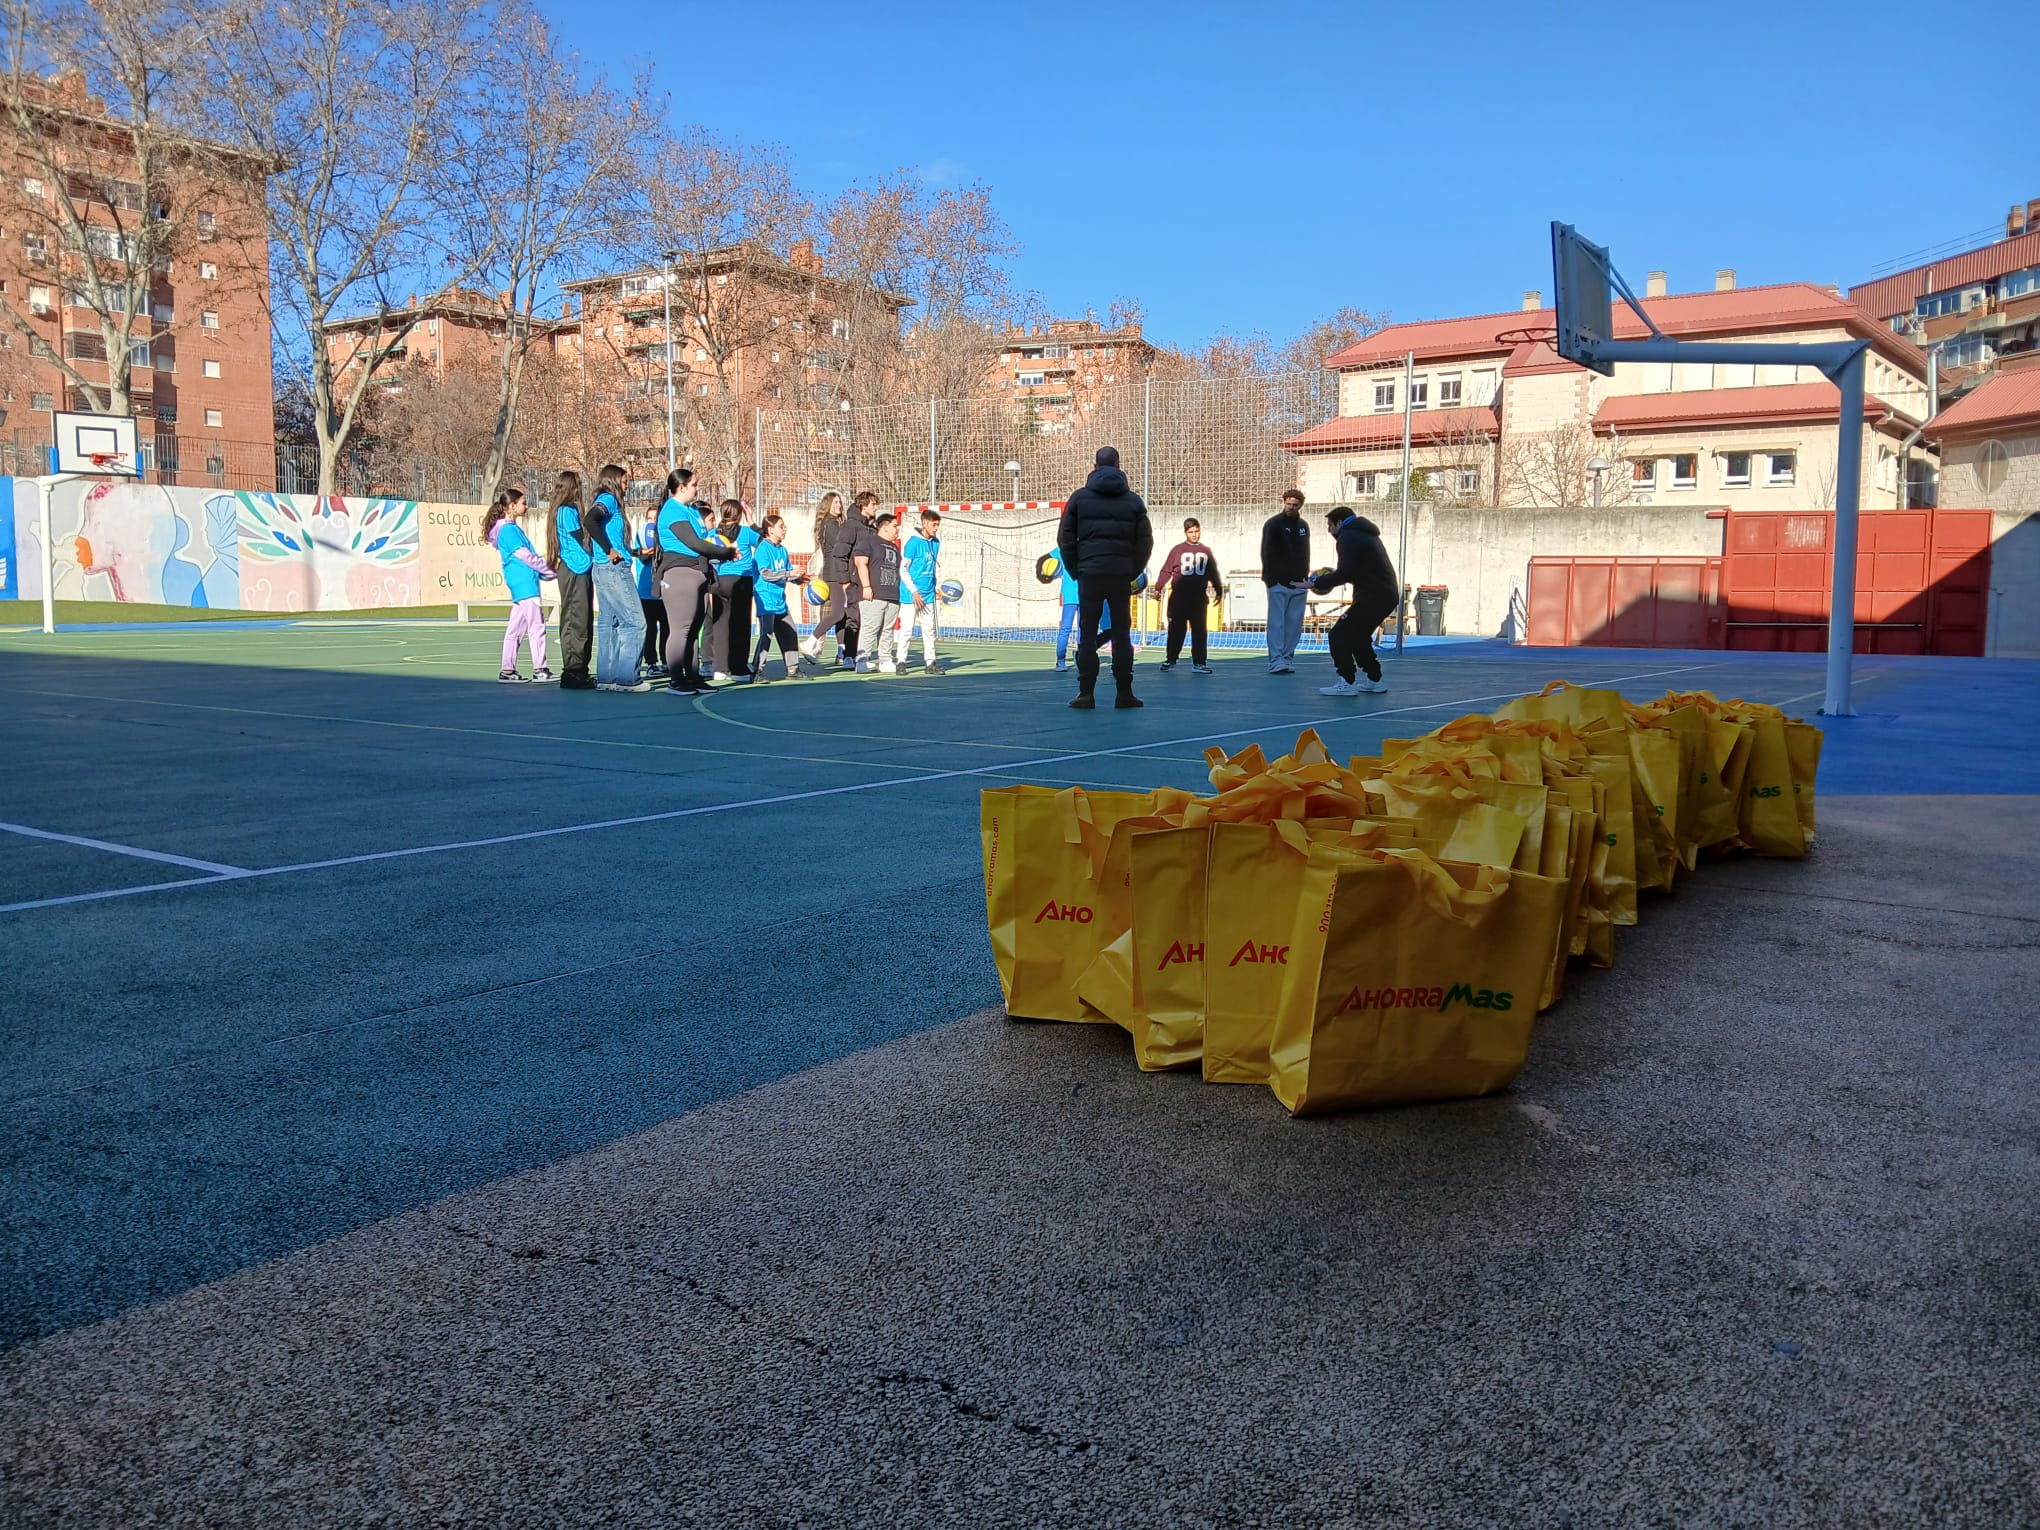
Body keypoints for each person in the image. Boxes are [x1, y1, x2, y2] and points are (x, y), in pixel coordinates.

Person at [1056, 445, 1153, 711]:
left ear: (1095, 466)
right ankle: (1124, 693)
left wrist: (1077, 569)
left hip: (1089, 574)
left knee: (1087, 634)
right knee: (1122, 635)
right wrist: (1132, 570)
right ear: (1119, 466)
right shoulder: (1133, 501)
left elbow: (1065, 538)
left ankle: (1086, 693)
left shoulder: (1078, 499)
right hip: (1120, 575)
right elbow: (1145, 541)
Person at [652, 468, 734, 695]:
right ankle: (676, 680)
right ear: (682, 487)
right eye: (694, 484)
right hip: (680, 573)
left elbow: (703, 538)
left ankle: (693, 676)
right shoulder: (672, 510)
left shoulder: (690, 510)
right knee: (681, 629)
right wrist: (725, 552)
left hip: (697, 572)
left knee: (694, 627)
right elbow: (694, 543)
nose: (697, 488)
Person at [1310, 507, 1398, 697]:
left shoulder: (1348, 536)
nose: (1328, 530)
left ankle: (1347, 682)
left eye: (1330, 525)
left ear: (1339, 523)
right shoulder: (1366, 535)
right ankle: (1375, 680)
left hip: (1374, 596)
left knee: (1338, 635)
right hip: (1385, 595)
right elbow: (1360, 572)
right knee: (1358, 637)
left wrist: (1315, 582)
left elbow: (1345, 573)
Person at [581, 464, 649, 694]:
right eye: (624, 481)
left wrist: (635, 552)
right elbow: (590, 521)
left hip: (603, 568)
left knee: (608, 624)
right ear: (613, 481)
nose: (627, 485)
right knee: (635, 622)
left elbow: (611, 535)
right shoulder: (608, 499)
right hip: (613, 569)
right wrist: (609, 550)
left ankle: (607, 677)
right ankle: (628, 678)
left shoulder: (609, 501)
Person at [483, 488, 555, 682]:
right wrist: (549, 571)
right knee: (536, 626)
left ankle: (507, 670)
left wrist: (542, 573)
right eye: (523, 502)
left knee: (515, 628)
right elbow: (525, 556)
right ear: (512, 506)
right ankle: (540, 669)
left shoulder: (507, 530)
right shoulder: (508, 530)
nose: (526, 505)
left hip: (520, 583)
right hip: (525, 584)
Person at [545, 470, 598, 690]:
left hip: (578, 568)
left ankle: (579, 668)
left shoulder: (564, 511)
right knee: (576, 619)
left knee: (582, 619)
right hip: (575, 568)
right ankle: (573, 670)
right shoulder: (567, 511)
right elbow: (582, 539)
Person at [1154, 517, 1224, 675]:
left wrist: (1219, 590)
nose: (1194, 534)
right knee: (1176, 630)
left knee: (1200, 630)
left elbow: (1212, 572)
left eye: (1196, 531)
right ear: (1185, 532)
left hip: (1198, 598)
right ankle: (1171, 658)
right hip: (1179, 597)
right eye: (1191, 532)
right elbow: (1166, 570)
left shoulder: (1206, 551)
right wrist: (1158, 587)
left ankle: (1199, 662)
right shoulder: (1177, 550)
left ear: (1200, 531)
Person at [801, 491, 857, 668]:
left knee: (842, 614)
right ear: (827, 506)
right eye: (835, 503)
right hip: (834, 573)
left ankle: (841, 652)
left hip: (838, 572)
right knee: (838, 613)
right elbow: (842, 545)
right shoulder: (830, 524)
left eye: (840, 502)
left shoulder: (836, 523)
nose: (839, 505)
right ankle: (810, 642)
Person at [704, 499, 756, 683]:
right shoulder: (745, 532)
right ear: (739, 514)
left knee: (720, 624)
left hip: (719, 581)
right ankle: (738, 668)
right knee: (740, 625)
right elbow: (763, 540)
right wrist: (752, 520)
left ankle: (720, 667)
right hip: (741, 579)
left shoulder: (713, 533)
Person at [1260, 488, 1312, 675]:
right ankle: (1275, 660)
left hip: (1299, 583)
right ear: (1284, 503)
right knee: (1277, 623)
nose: (1290, 507)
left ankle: (1287, 658)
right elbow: (1266, 552)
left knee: (1294, 624)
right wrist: (1272, 580)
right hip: (1278, 583)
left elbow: (1305, 553)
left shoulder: (1303, 526)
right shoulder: (1273, 524)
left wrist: (1305, 579)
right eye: (1288, 504)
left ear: (1300, 506)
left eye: (1294, 505)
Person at [751, 514, 804, 680]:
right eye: (781, 526)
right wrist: (789, 574)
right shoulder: (763, 549)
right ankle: (757, 670)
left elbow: (787, 573)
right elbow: (766, 574)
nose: (785, 529)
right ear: (770, 530)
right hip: (766, 599)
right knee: (767, 634)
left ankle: (793, 669)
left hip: (780, 599)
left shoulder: (782, 550)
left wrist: (800, 579)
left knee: (790, 632)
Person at [852, 510, 903, 674]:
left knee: (887, 630)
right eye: (895, 526)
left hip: (892, 595)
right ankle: (862, 660)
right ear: (885, 527)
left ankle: (885, 660)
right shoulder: (869, 541)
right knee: (870, 628)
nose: (897, 529)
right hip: (874, 594)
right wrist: (866, 586)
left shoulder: (895, 548)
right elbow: (860, 563)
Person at [897, 508, 943, 675]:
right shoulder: (913, 543)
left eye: (938, 525)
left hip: (928, 594)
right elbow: (903, 570)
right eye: (933, 524)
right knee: (907, 629)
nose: (936, 528)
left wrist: (934, 586)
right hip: (911, 595)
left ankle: (930, 663)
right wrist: (914, 591)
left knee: (929, 629)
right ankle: (901, 661)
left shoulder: (935, 543)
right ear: (924, 523)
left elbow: (930, 569)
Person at [636, 509, 668, 677]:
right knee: (649, 629)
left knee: (667, 628)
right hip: (646, 592)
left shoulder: (665, 536)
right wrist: (646, 553)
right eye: (649, 518)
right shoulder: (641, 535)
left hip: (664, 590)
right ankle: (651, 663)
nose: (652, 522)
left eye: (655, 518)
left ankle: (667, 661)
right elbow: (638, 555)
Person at [1050, 548, 1081, 673]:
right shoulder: (1062, 549)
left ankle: (1081, 657)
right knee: (1065, 628)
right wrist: (1054, 571)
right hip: (1069, 595)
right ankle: (1060, 660)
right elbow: (1049, 561)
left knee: (1083, 628)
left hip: (1086, 593)